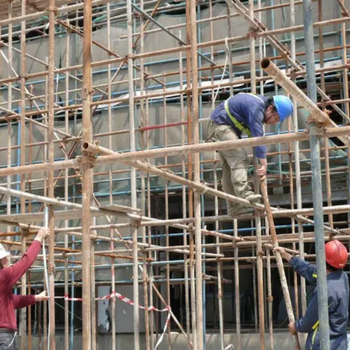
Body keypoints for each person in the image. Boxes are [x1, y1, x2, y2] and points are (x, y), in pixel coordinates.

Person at [207, 93, 293, 216]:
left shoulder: (257, 105)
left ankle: (234, 207)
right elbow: (258, 136)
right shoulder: (257, 107)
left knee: (229, 168)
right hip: (221, 126)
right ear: (270, 108)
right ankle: (245, 193)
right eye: (276, 118)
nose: (274, 122)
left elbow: (254, 135)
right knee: (240, 158)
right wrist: (264, 163)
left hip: (220, 126)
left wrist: (260, 153)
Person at [275, 240, 349, 350]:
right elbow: (309, 270)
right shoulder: (341, 277)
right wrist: (287, 256)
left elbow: (311, 320)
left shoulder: (326, 290)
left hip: (325, 344)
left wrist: (296, 325)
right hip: (339, 342)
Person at [0, 227, 50, 350]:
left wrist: (34, 298)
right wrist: (38, 238)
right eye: (4, 258)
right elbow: (25, 263)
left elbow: (11, 301)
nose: (7, 260)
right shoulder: (3, 276)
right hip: (4, 334)